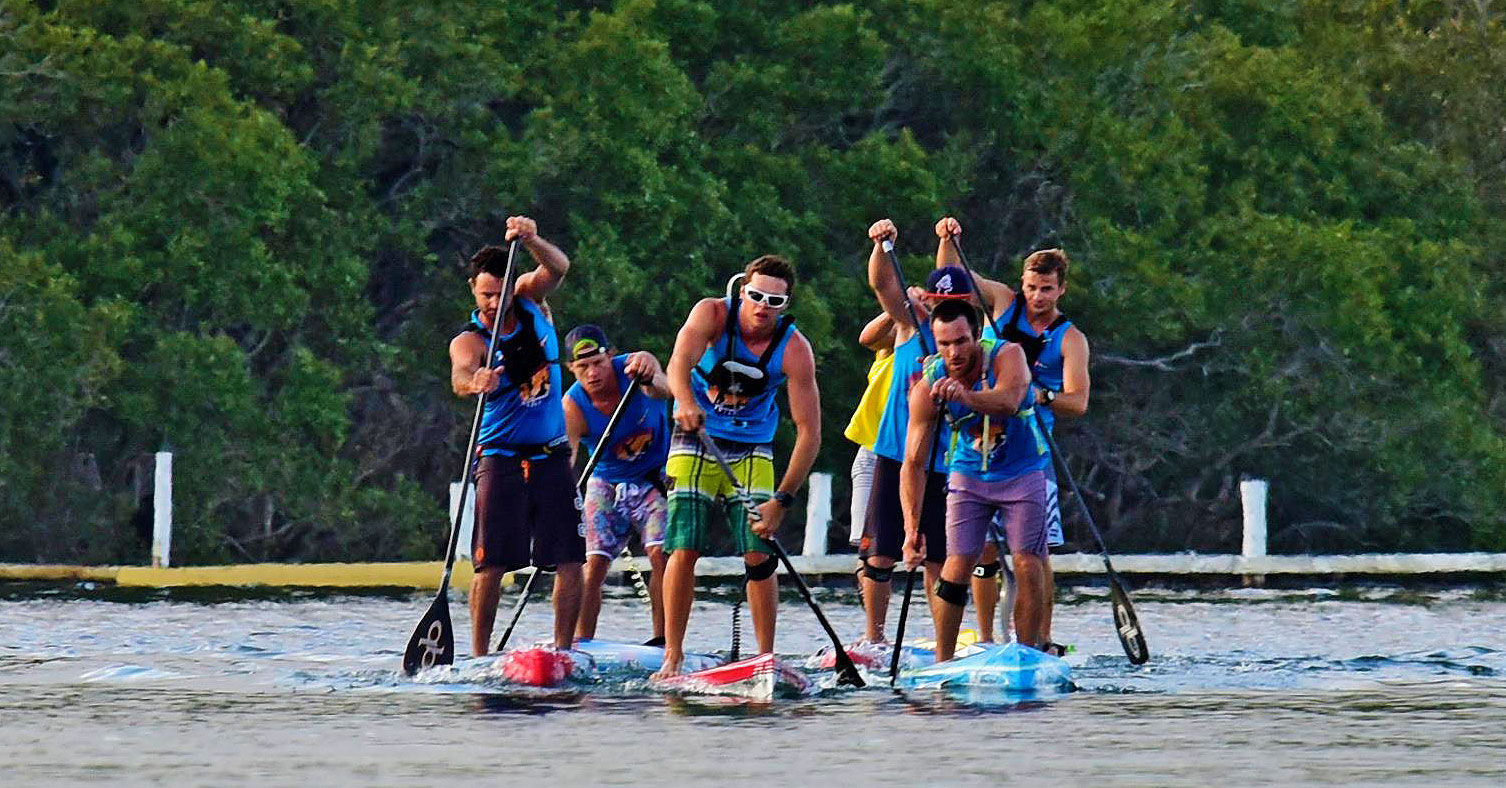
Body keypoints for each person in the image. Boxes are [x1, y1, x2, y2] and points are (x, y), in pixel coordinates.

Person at [653, 255, 821, 678]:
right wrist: (685, 402)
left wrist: (781, 501)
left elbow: (809, 434)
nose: (763, 307)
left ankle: (765, 658)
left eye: (774, 301)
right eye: (757, 296)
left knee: (759, 551)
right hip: (696, 436)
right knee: (684, 544)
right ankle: (673, 655)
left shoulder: (795, 349)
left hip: (752, 446)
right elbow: (678, 362)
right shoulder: (711, 314)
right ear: (742, 291)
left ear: (786, 304)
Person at [935, 219, 1089, 653]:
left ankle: (1039, 641)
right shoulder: (1002, 303)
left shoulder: (1070, 339)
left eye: (1046, 290)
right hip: (977, 448)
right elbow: (952, 280)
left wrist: (1041, 395)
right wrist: (948, 240)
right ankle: (985, 638)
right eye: (1031, 287)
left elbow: (1078, 402)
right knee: (977, 552)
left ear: (1060, 290)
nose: (1037, 297)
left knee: (1033, 556)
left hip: (1031, 449)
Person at [447, 215, 583, 656]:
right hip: (500, 457)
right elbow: (460, 374)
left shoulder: (528, 300)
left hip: (551, 455)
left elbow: (558, 267)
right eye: (485, 294)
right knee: (492, 563)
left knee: (570, 557)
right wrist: (476, 382)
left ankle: (564, 651)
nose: (493, 302)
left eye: (499, 293)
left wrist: (532, 239)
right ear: (473, 289)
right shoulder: (470, 340)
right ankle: (480, 655)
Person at [900, 298, 1051, 662]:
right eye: (944, 344)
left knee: (1027, 562)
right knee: (956, 564)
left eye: (961, 341)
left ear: (975, 336)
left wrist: (965, 397)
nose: (954, 352)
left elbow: (1010, 401)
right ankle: (944, 660)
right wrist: (912, 528)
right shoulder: (929, 384)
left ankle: (1027, 654)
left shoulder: (1007, 355)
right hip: (968, 474)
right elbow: (913, 463)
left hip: (1022, 471)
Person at [854, 219, 969, 648]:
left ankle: (944, 646)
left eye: (951, 304)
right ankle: (875, 639)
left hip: (947, 460)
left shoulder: (969, 339)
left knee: (938, 558)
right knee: (880, 554)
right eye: (937, 302)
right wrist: (882, 246)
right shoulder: (910, 323)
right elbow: (883, 285)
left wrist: (948, 241)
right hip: (895, 451)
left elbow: (951, 276)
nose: (942, 309)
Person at [560, 325, 674, 645]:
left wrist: (649, 376)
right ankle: (580, 643)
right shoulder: (572, 405)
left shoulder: (635, 368)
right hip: (606, 482)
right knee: (593, 563)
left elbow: (667, 389)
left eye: (598, 363)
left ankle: (664, 640)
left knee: (660, 554)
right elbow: (567, 459)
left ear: (611, 356)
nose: (592, 373)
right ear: (571, 368)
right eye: (583, 367)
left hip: (654, 478)